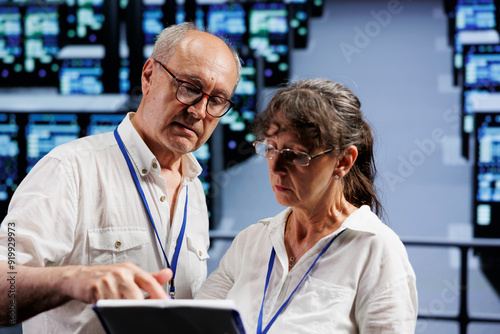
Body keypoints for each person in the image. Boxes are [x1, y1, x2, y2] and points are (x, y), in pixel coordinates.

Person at [0, 22, 241, 333]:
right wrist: (73, 279)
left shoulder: (193, 189)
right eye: (190, 88)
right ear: (149, 76)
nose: (199, 111)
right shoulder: (70, 169)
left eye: (217, 100)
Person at [195, 79, 418, 333]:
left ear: (343, 161)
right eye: (270, 148)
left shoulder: (377, 252)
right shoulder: (251, 242)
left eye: (295, 155)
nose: (276, 167)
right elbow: (197, 325)